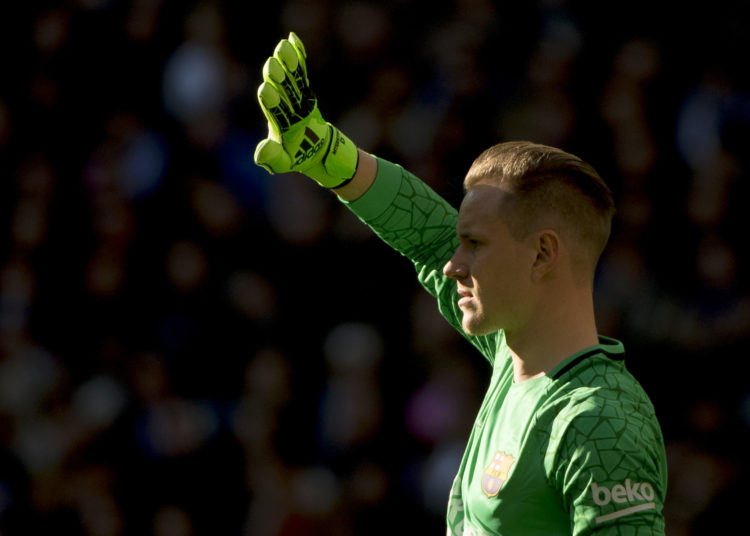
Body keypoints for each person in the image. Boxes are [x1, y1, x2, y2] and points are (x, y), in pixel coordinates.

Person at [254, 32, 668, 535]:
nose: (453, 265)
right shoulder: (514, 361)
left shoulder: (601, 421)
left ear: (542, 254)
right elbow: (429, 239)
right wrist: (329, 156)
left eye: (475, 244)